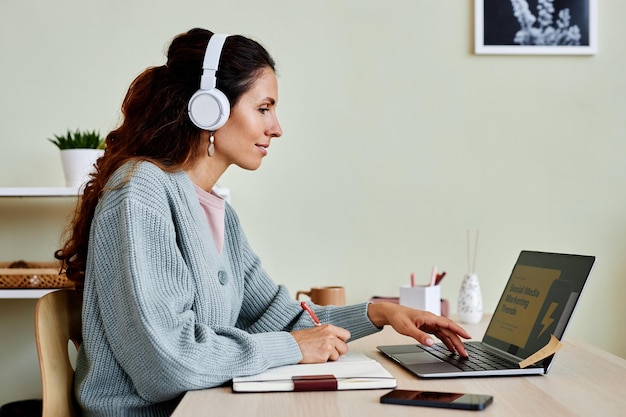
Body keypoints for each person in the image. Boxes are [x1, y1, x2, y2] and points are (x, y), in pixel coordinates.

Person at [55, 28, 470, 417]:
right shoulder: (141, 191)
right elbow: (169, 364)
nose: (277, 128)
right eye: (263, 108)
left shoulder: (220, 214)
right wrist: (292, 347)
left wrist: (378, 313)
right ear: (209, 108)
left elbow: (279, 318)